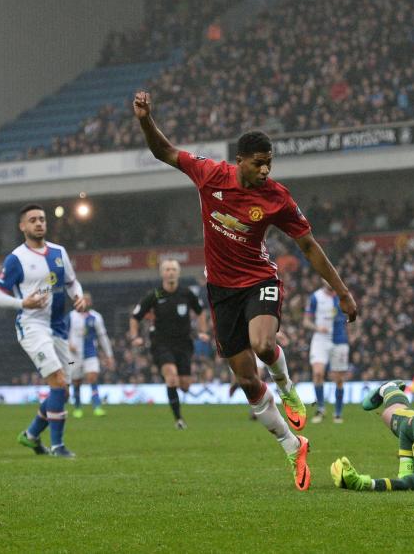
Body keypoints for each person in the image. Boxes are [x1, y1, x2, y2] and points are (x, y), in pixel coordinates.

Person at [133, 90, 357, 491]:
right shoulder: (209, 174)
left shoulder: (277, 197)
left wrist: (340, 290)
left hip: (259, 279)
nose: (265, 170)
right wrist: (146, 120)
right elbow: (163, 151)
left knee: (264, 344)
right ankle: (293, 446)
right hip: (221, 291)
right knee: (247, 382)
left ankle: (287, 387)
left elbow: (308, 245)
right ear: (240, 161)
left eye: (270, 163)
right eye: (259, 163)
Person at [0, 204, 86, 458]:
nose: (39, 223)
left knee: (62, 390)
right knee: (57, 380)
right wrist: (23, 303)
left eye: (42, 219)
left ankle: (31, 436)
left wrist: (79, 297)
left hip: (58, 327)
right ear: (23, 226)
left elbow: (71, 282)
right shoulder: (16, 259)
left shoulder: (58, 252)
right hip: (32, 326)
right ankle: (57, 446)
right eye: (33, 220)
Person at [128, 258, 210, 429]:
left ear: (178, 273)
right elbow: (135, 317)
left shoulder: (186, 293)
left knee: (185, 385)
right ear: (162, 273)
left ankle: (176, 392)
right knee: (171, 378)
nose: (170, 272)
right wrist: (135, 336)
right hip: (161, 343)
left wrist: (202, 332)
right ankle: (178, 419)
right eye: (167, 269)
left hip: (184, 343)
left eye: (173, 269)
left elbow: (201, 312)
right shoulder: (155, 295)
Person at [304, 280, 351, 423]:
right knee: (318, 373)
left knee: (339, 379)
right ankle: (320, 409)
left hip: (339, 340)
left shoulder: (343, 295)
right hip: (320, 339)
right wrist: (317, 328)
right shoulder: (315, 297)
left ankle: (337, 413)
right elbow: (306, 321)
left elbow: (352, 313)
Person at [67, 292, 114, 418]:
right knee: (76, 381)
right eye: (83, 300)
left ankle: (97, 406)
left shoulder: (96, 317)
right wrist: (68, 344)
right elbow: (61, 334)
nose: (85, 302)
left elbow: (103, 337)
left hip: (90, 353)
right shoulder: (71, 316)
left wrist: (109, 355)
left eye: (88, 300)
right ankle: (77, 407)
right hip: (73, 356)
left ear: (91, 302)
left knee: (92, 377)